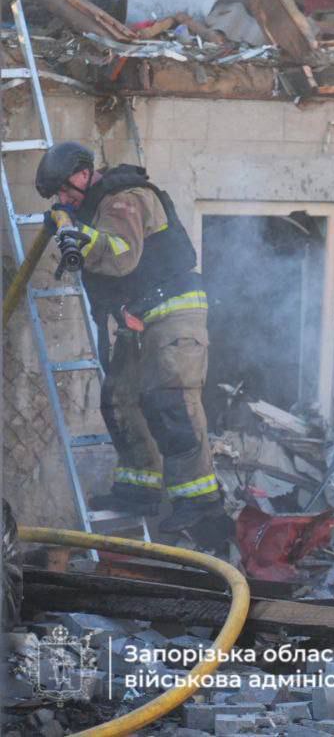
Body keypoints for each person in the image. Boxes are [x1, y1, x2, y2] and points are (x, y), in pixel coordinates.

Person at [35, 142, 223, 534]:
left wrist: (76, 232)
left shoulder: (124, 199)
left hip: (174, 310)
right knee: (119, 397)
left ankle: (200, 502)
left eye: (65, 189)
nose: (63, 198)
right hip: (139, 316)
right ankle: (139, 488)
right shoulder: (96, 205)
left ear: (84, 174)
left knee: (172, 402)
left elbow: (121, 256)